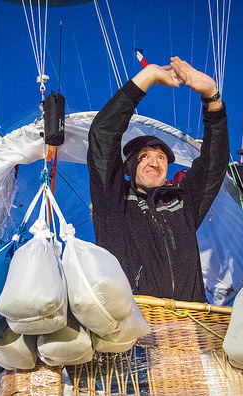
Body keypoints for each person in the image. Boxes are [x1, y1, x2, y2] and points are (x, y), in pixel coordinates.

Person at [87, 56, 229, 303]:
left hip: (189, 326)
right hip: (132, 327)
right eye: (144, 157)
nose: (155, 162)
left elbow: (213, 164)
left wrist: (212, 98)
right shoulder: (113, 202)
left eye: (162, 158)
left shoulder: (182, 204)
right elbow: (103, 134)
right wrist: (148, 76)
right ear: (129, 169)